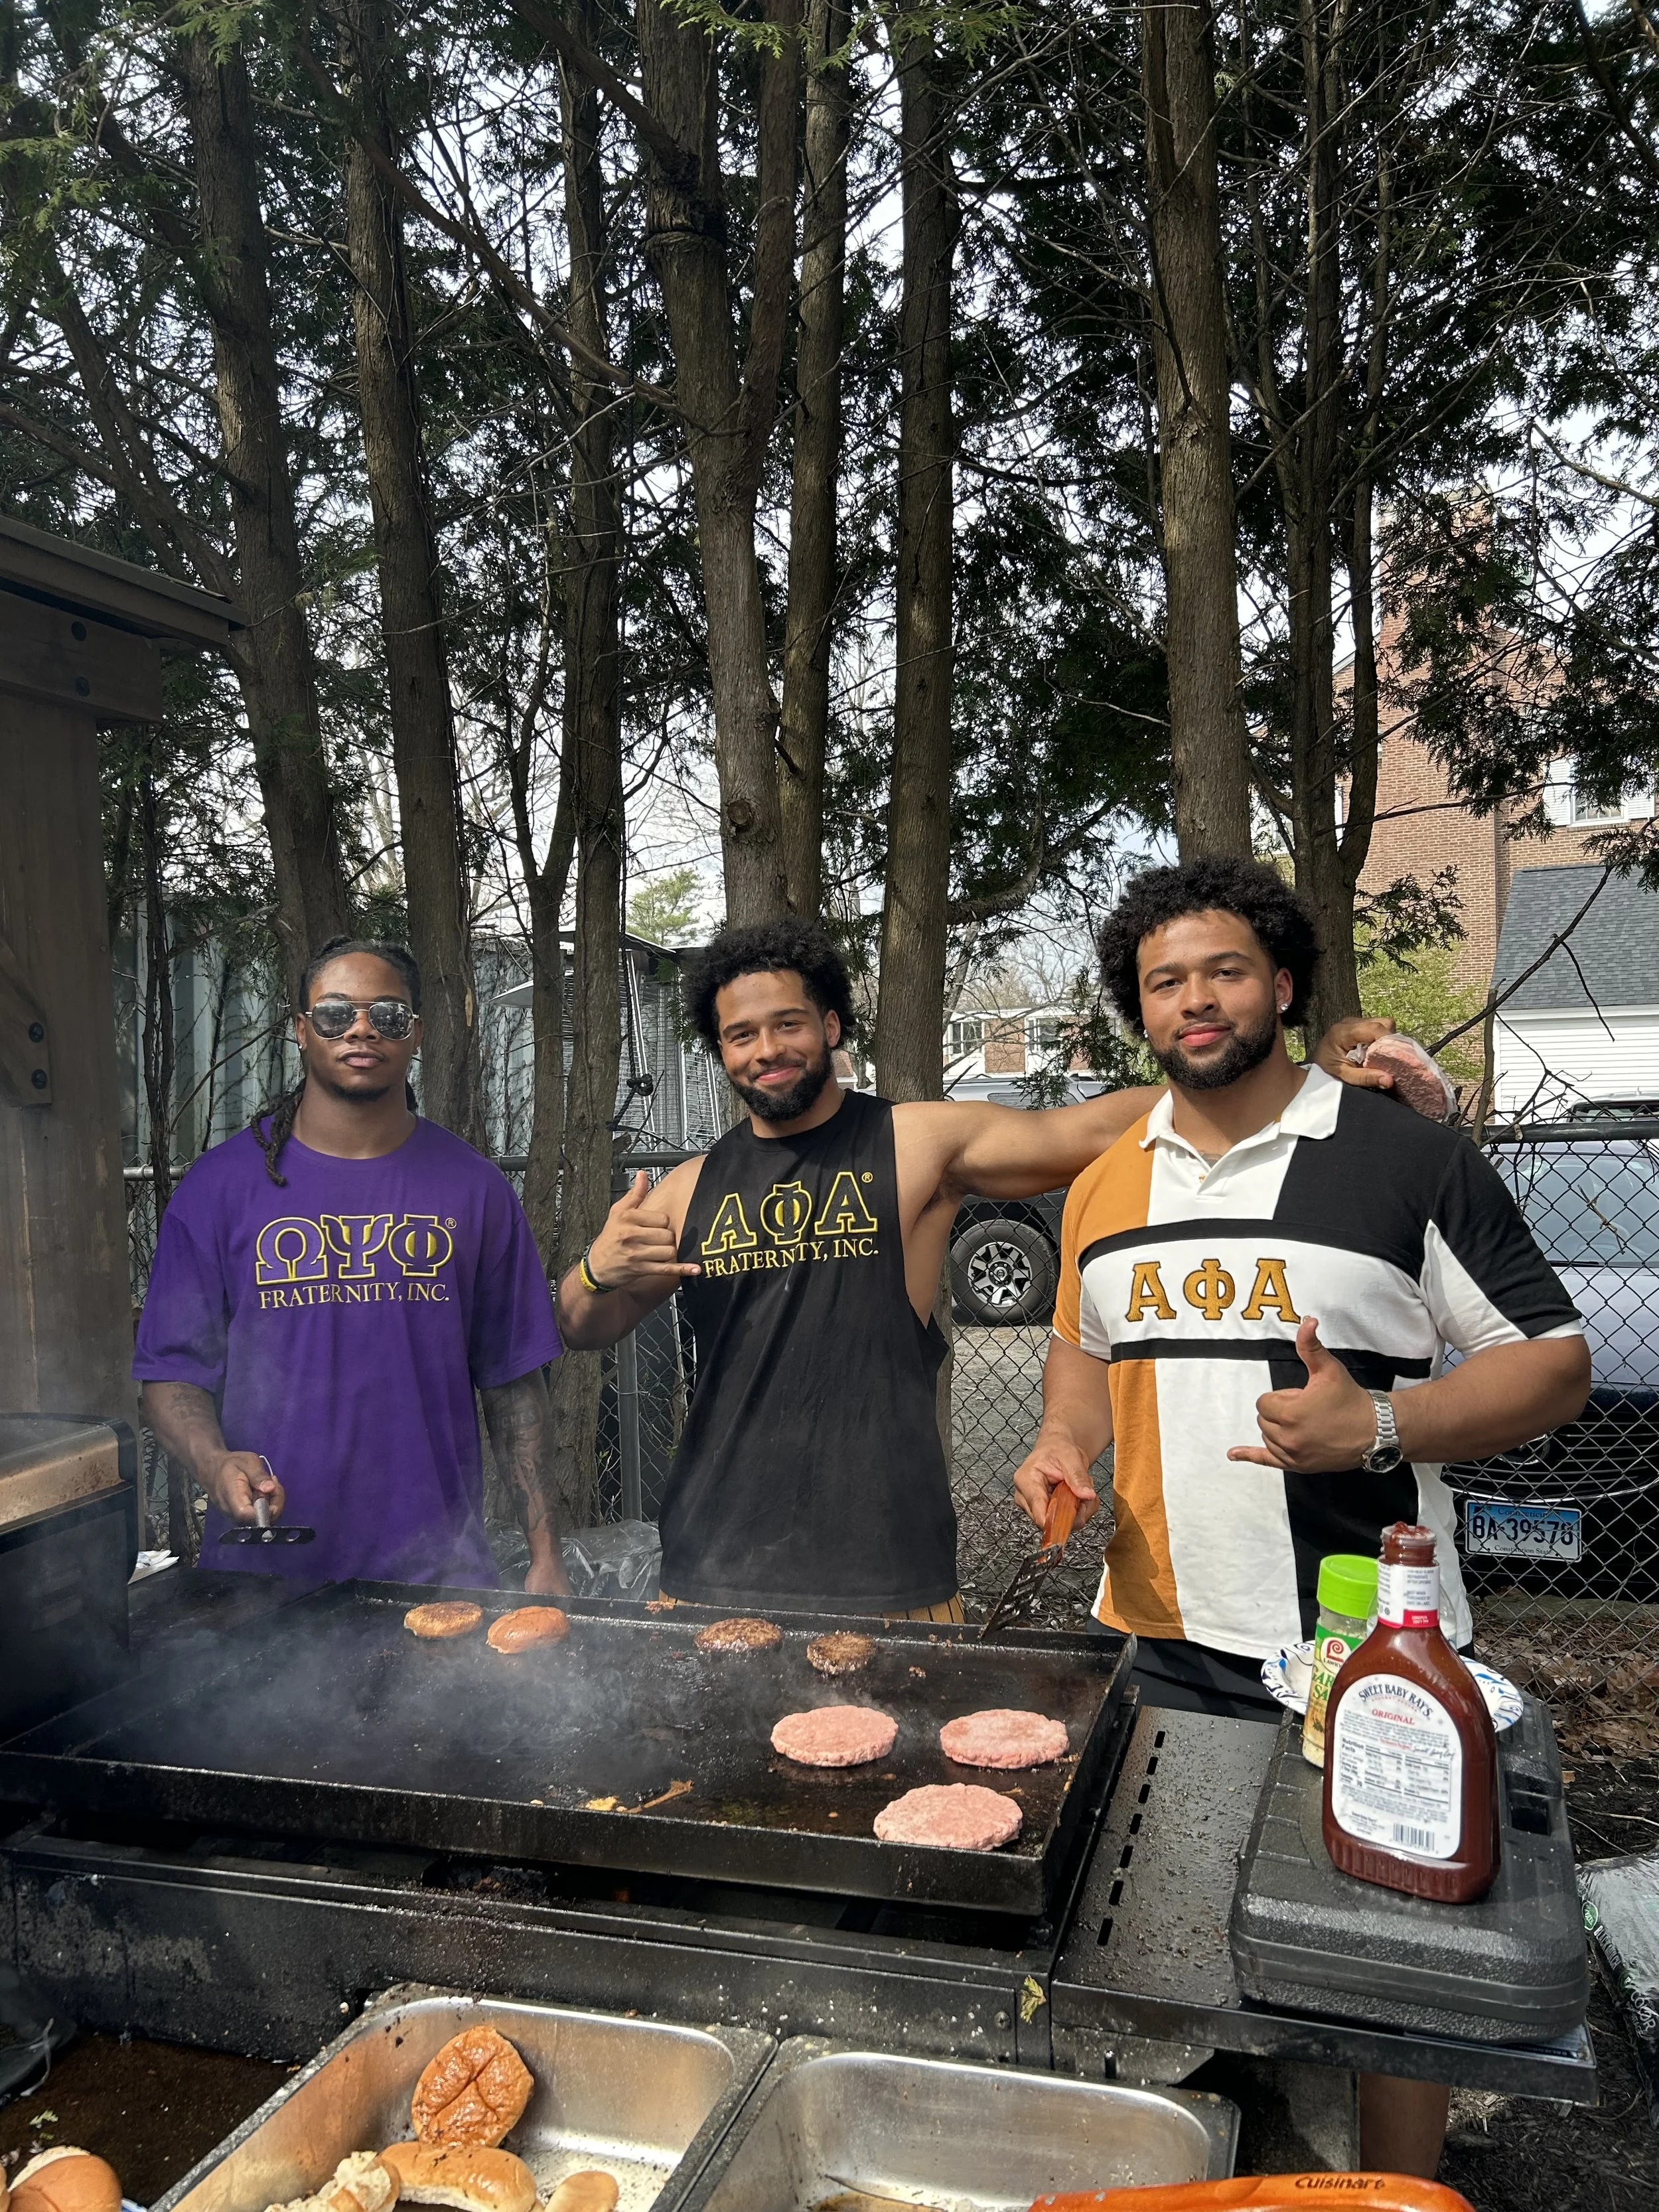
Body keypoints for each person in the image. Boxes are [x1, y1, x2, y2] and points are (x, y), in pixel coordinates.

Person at [1011, 855, 1591, 2176]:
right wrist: (1057, 1441)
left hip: (1368, 1646)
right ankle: (1209, 2162)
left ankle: (1393, 2191)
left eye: (1221, 970)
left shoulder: (1399, 1154)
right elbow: (1080, 1352)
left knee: (1396, 1970)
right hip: (1163, 1636)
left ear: (1279, 983)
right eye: (1164, 981)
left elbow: (1549, 1358)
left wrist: (1378, 1424)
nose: (1193, 1000)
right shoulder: (1106, 1181)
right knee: (1174, 1944)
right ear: (1137, 1011)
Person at [556, 915, 1394, 1618]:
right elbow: (584, 1325)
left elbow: (1092, 1128)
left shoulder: (917, 1141)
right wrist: (594, 1269)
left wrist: (1294, 1078)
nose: (766, 1049)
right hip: (709, 1562)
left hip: (887, 1562)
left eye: (787, 1023)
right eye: (741, 1034)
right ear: (721, 1052)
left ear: (831, 1028)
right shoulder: (684, 1189)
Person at [136, 936, 568, 1593]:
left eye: (387, 1015)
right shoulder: (218, 1189)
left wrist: (545, 1557)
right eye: (337, 1014)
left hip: (437, 1580)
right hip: (263, 1583)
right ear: (302, 1030)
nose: (361, 1029)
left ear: (415, 1034)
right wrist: (212, 1459)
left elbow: (513, 1387)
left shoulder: (474, 1189)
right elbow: (169, 1374)